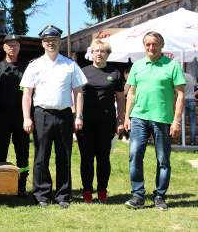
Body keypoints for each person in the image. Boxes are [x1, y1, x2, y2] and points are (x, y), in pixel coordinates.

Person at [20, 25, 87, 208]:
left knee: (63, 155)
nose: (51, 43)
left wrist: (78, 116)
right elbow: (27, 94)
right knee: (41, 156)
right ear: (42, 43)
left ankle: (63, 196)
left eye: (55, 40)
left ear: (60, 42)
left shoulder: (70, 65)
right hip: (41, 114)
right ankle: (41, 194)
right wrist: (27, 117)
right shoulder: (34, 65)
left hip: (65, 114)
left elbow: (78, 92)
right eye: (47, 41)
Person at [124, 31, 185, 211]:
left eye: (155, 44)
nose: (151, 47)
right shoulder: (137, 65)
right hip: (139, 118)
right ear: (144, 46)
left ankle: (159, 196)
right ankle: (138, 195)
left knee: (163, 159)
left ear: (161, 45)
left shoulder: (172, 65)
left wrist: (177, 121)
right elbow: (131, 93)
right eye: (148, 44)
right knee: (135, 154)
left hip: (163, 119)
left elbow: (180, 94)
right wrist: (127, 116)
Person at [77, 39, 125, 203]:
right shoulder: (83, 72)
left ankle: (102, 190)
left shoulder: (115, 73)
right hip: (86, 122)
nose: (99, 53)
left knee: (103, 158)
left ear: (107, 54)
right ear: (92, 53)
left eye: (102, 51)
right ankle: (87, 191)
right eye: (96, 50)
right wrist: (77, 116)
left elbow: (120, 98)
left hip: (107, 122)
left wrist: (120, 119)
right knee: (87, 158)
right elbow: (77, 96)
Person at [0, 34, 30, 196]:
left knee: (23, 153)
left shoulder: (27, 69)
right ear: (4, 47)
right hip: (0, 117)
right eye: (9, 45)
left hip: (21, 117)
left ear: (19, 47)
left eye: (15, 45)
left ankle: (21, 186)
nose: (12, 48)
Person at [184, 72, 197, 145]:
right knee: (192, 121)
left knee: (182, 122)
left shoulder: (179, 76)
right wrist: (193, 95)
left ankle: (181, 140)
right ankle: (193, 141)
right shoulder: (190, 76)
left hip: (183, 101)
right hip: (192, 100)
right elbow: (196, 88)